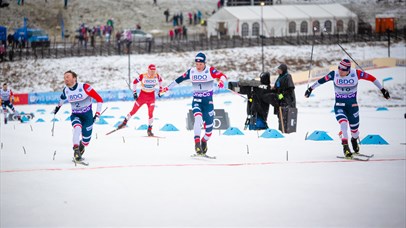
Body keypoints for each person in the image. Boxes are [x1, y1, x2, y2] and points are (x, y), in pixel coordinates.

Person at [304, 59, 390, 158]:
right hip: (339, 105)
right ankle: (345, 146)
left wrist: (383, 90)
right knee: (343, 123)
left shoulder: (356, 74)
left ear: (348, 70)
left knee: (355, 131)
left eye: (343, 70)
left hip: (352, 106)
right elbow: (321, 81)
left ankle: (354, 139)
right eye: (339, 68)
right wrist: (310, 89)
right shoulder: (334, 74)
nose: (340, 71)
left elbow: (372, 78)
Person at [160, 52, 227, 156]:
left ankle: (204, 141)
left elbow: (223, 76)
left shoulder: (210, 70)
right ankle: (196, 143)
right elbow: (178, 80)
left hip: (208, 102)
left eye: (200, 64)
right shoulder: (192, 72)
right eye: (197, 64)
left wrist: (221, 82)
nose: (198, 66)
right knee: (198, 118)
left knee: (209, 130)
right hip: (197, 100)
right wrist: (166, 88)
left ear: (204, 63)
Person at [53, 70, 103, 162]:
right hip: (75, 115)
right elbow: (62, 98)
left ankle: (82, 145)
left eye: (67, 77)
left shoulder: (85, 87)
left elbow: (99, 99)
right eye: (64, 78)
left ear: (74, 78)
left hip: (87, 116)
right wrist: (57, 107)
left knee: (86, 141)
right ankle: (76, 150)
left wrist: (97, 114)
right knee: (77, 128)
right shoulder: (66, 90)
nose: (65, 79)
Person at [117, 64, 163, 136]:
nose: (153, 72)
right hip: (142, 97)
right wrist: (134, 93)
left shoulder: (156, 75)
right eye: (151, 71)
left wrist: (160, 89)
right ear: (148, 70)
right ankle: (124, 123)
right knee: (133, 111)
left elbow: (160, 80)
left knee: (150, 113)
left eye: (154, 71)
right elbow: (134, 82)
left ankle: (149, 130)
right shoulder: (143, 76)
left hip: (151, 97)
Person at [264, 63, 296, 132]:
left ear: (283, 70)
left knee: (285, 116)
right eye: (278, 70)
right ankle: (281, 129)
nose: (278, 71)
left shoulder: (287, 77)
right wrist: (271, 90)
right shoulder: (280, 77)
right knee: (280, 116)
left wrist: (281, 95)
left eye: (280, 70)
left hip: (287, 101)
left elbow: (290, 89)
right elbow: (277, 87)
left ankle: (286, 131)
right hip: (280, 101)